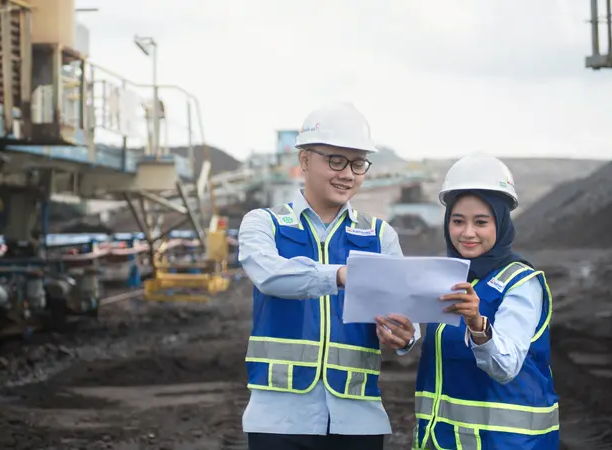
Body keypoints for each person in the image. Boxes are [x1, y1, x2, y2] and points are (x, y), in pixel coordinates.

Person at [238, 101, 421, 450]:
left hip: (358, 418)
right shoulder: (264, 223)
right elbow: (271, 277)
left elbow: (406, 308)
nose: (348, 174)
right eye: (335, 160)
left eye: (357, 163)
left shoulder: (380, 236)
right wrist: (338, 274)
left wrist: (406, 335)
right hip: (279, 418)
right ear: (304, 160)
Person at [376, 154, 559, 449]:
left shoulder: (521, 283)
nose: (468, 232)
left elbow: (506, 366)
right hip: (440, 441)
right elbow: (435, 342)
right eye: (458, 221)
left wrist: (477, 324)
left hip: (505, 443)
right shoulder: (445, 275)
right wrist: (407, 339)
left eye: (481, 222)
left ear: (500, 223)